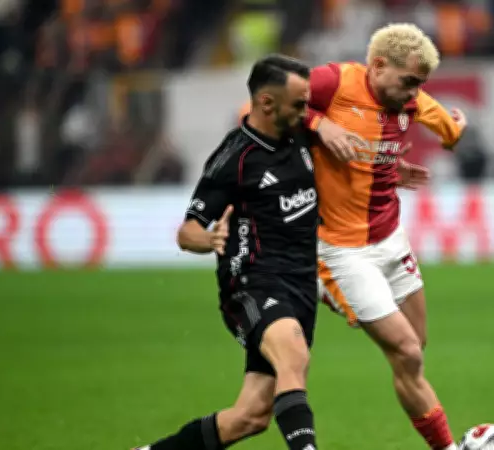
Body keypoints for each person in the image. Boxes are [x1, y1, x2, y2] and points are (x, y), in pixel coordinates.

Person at [134, 54, 351, 450]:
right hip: (251, 283)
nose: (307, 112)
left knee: (251, 416)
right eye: (299, 104)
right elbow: (187, 231)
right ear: (267, 103)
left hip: (300, 286)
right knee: (293, 356)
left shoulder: (302, 134)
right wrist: (210, 240)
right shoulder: (235, 158)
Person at [307, 23, 467, 450]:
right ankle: (320, 283)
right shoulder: (331, 82)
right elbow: (267, 103)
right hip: (341, 250)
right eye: (408, 82)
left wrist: (392, 162)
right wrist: (320, 125)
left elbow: (450, 132)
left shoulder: (410, 99)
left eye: (420, 85)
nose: (414, 93)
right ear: (377, 67)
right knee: (407, 351)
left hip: (391, 238)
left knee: (414, 349)